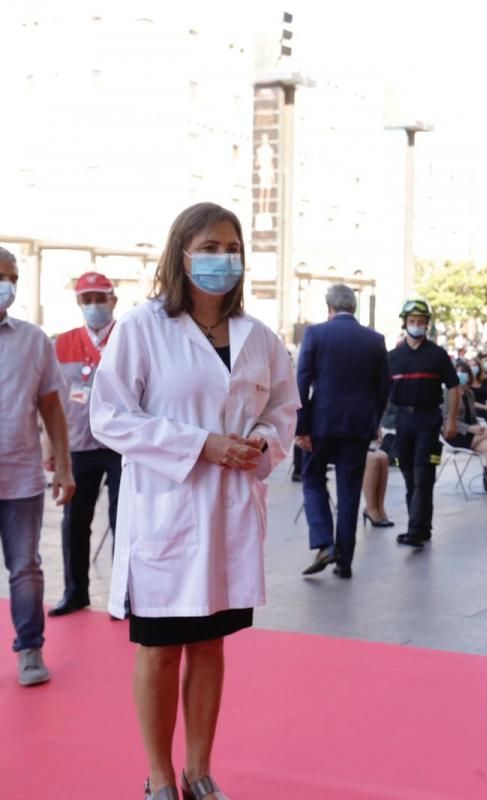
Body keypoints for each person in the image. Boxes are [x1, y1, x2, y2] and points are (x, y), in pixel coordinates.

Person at [90, 202, 300, 799]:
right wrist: (197, 444)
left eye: (232, 248)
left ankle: (199, 771)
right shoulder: (142, 328)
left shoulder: (258, 338)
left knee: (209, 644)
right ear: (181, 253)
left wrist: (262, 441)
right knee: (160, 650)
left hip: (230, 512)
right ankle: (159, 778)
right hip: (169, 511)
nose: (222, 259)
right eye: (209, 247)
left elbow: (282, 408)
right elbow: (110, 416)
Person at [0, 246, 75, 687]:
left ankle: (30, 649)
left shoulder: (33, 340)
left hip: (21, 477)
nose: (4, 283)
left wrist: (63, 466)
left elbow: (51, 406)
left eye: (10, 276)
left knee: (25, 567)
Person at [296, 284, 390, 578]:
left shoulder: (315, 334)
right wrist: (374, 422)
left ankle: (325, 543)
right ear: (354, 307)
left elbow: (301, 382)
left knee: (312, 478)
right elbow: (384, 387)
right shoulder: (375, 340)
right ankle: (345, 561)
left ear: (329, 308)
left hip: (321, 423)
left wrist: (301, 427)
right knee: (349, 491)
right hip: (358, 426)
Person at [48, 271, 122, 617]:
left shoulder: (129, 337)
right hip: (78, 444)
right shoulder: (62, 343)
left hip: (123, 445)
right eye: (87, 299)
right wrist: (52, 446)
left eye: (99, 298)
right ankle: (75, 591)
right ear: (79, 303)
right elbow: (50, 398)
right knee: (75, 521)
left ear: (113, 300)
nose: (94, 305)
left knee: (124, 521)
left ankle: (124, 595)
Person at [388, 298, 459, 547]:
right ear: (405, 323)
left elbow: (453, 387)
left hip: (428, 420)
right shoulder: (393, 357)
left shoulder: (437, 355)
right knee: (409, 475)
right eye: (412, 321)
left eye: (421, 322)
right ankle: (420, 525)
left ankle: (416, 529)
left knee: (423, 475)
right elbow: (382, 391)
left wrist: (451, 420)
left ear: (427, 325)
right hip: (403, 421)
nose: (416, 326)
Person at [444, 359, 487, 501]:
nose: (461, 375)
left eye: (464, 372)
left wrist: (475, 426)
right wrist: (470, 428)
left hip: (471, 434)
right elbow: (446, 420)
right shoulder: (449, 393)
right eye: (458, 372)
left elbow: (471, 417)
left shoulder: (469, 393)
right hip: (456, 434)